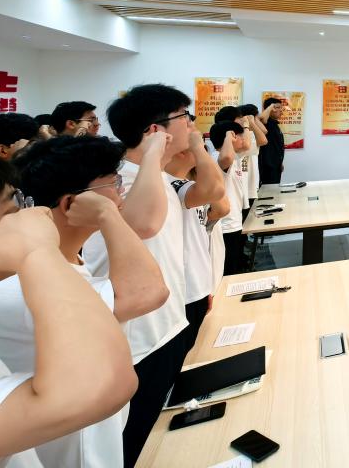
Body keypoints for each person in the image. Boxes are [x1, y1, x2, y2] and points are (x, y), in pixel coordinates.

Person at [6, 136, 170, 468]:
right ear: (71, 203)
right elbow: (147, 292)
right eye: (113, 185)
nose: (120, 195)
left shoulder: (62, 263)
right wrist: (108, 214)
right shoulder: (28, 282)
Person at [81, 84, 195, 468]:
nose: (192, 125)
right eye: (184, 117)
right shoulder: (117, 182)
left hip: (167, 325)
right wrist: (153, 155)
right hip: (137, 343)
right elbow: (144, 224)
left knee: (164, 442)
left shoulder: (157, 176)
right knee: (138, 447)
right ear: (155, 130)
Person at [0, 201, 138, 466]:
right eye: (13, 210)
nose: (29, 214)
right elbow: (145, 292)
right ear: (68, 202)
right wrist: (37, 250)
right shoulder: (17, 287)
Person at [165, 125, 227, 353]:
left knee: (196, 349)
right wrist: (199, 149)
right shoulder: (168, 184)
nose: (202, 148)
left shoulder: (187, 184)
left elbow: (222, 206)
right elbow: (217, 193)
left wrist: (205, 286)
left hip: (198, 285)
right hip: (183, 292)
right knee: (186, 355)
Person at [209, 121, 249, 277]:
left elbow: (245, 147)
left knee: (233, 267)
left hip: (233, 222)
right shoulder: (218, 158)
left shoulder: (235, 158)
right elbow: (225, 157)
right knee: (228, 271)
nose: (242, 139)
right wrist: (228, 136)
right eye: (238, 136)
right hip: (226, 225)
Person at [239, 104, 268, 205]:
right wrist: (250, 122)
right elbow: (264, 140)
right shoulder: (244, 136)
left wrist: (253, 121)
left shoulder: (251, 133)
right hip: (246, 184)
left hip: (251, 181)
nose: (257, 121)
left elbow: (264, 131)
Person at [258, 98, 285, 185]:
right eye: (278, 107)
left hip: (276, 165)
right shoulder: (266, 123)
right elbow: (262, 119)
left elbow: (277, 146)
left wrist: (280, 163)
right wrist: (270, 107)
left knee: (275, 188)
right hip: (268, 166)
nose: (281, 110)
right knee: (269, 190)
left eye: (281, 108)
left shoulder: (274, 123)